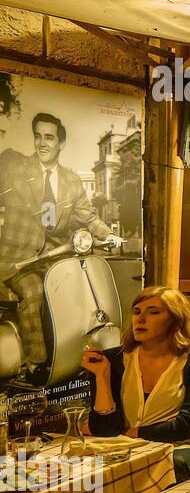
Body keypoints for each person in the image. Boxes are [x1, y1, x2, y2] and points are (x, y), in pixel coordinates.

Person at [0, 113, 125, 375]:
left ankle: (73, 353)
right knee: (34, 291)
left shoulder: (71, 181)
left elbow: (88, 216)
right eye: (37, 136)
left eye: (49, 137)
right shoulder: (17, 167)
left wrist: (108, 234)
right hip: (19, 259)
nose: (42, 143)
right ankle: (37, 364)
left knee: (81, 291)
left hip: (56, 258)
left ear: (61, 143)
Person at [81, 286, 190, 481]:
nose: (140, 319)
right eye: (137, 312)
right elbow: (105, 430)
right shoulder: (114, 359)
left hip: (179, 447)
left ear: (176, 320)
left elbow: (188, 424)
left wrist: (131, 432)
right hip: (122, 449)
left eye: (153, 312)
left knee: (160, 466)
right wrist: (101, 376)